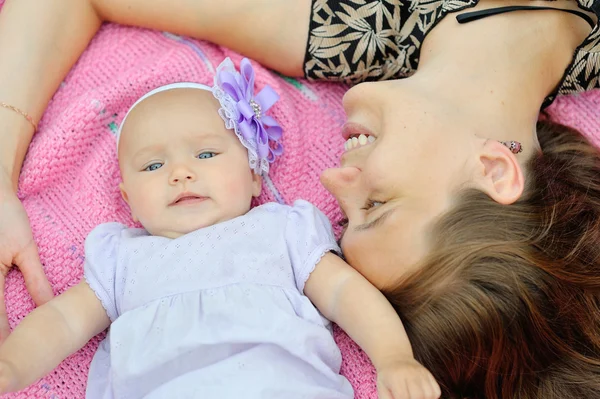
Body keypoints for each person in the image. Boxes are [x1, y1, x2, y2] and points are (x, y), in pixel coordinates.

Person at [0, 0, 599, 397]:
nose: (335, 181)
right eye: (379, 202)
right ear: (495, 169)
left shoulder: (343, 29)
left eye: (350, 214)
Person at [0, 58, 440, 399]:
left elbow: (347, 293)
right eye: (154, 165)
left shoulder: (282, 232)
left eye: (206, 155)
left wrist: (394, 357)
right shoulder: (120, 259)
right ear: (128, 200)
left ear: (253, 176)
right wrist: (12, 364)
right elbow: (61, 321)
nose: (180, 173)